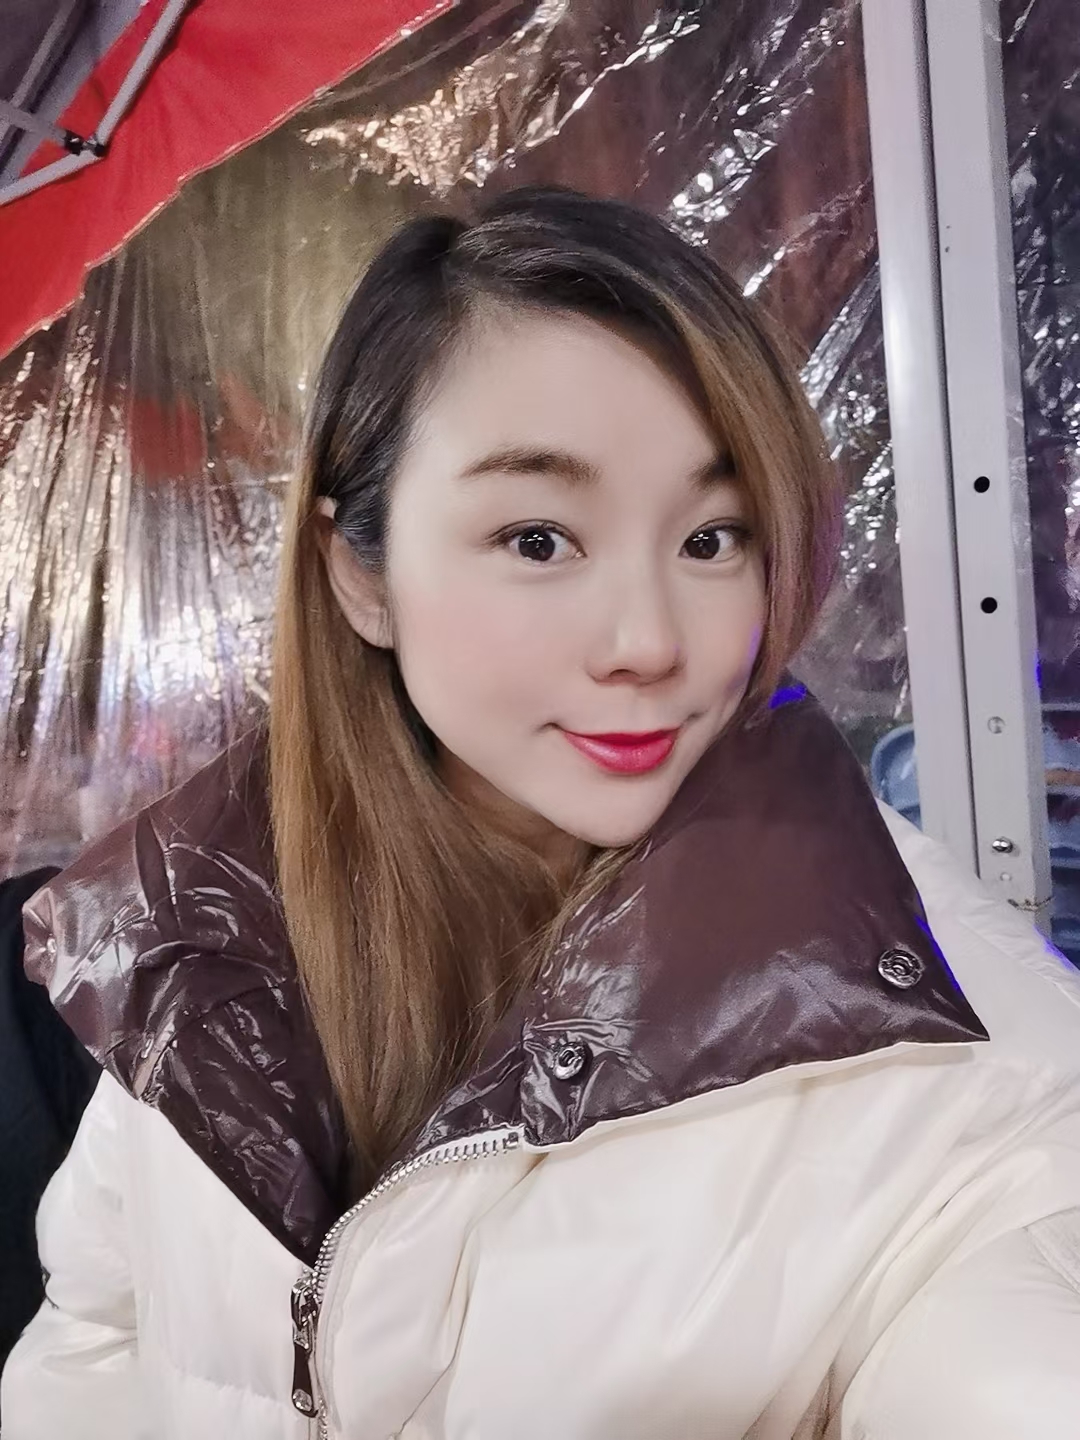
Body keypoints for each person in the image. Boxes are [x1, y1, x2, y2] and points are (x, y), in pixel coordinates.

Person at [3, 187, 1080, 1439]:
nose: (649, 642)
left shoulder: (963, 1053)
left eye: (714, 538)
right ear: (361, 575)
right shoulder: (200, 923)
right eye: (537, 538)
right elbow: (97, 1333)